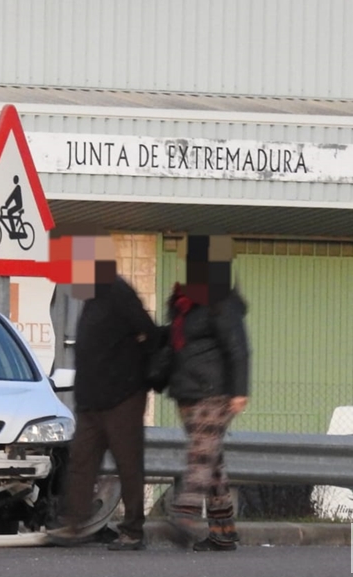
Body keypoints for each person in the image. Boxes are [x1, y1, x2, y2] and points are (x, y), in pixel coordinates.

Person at [46, 231, 159, 551]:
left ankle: (134, 530)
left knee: (128, 463)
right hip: (91, 401)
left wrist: (132, 375)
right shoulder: (92, 298)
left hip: (122, 398)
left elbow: (149, 334)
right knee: (81, 463)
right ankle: (74, 525)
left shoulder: (118, 292)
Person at [163, 234, 251, 552]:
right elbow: (175, 343)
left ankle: (184, 517)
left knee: (200, 457)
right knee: (212, 464)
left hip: (214, 392)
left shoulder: (221, 299)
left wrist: (240, 391)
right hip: (187, 392)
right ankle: (224, 531)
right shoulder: (184, 302)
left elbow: (238, 347)